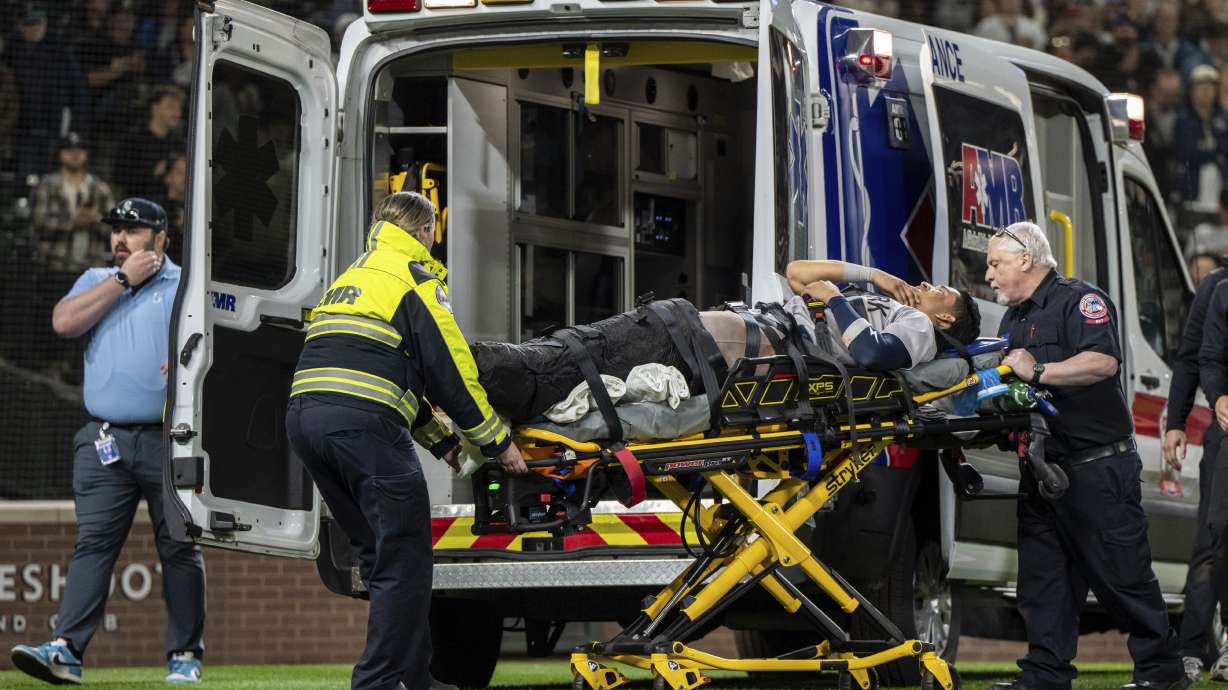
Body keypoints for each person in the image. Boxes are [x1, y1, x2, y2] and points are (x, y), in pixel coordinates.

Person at [285, 191, 527, 690]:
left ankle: (417, 679)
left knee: (378, 554)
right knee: (406, 559)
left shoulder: (352, 280)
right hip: (363, 426)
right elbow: (451, 372)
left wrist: (443, 444)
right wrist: (496, 442)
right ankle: (375, 683)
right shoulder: (414, 279)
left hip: (307, 421)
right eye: (432, 230)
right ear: (424, 231)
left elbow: (383, 370)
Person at [9, 198, 205, 686]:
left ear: (160, 237)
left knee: (180, 548)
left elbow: (212, 342)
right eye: (115, 230)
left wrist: (189, 359)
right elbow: (63, 322)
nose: (120, 239)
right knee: (93, 545)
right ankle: (67, 650)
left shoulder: (185, 283)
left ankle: (185, 655)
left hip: (172, 436)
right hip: (105, 441)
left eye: (132, 231)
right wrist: (121, 280)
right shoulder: (96, 279)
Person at [985, 221, 1185, 690]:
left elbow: (1103, 362)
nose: (989, 275)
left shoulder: (1080, 300)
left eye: (995, 263)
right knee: (1043, 581)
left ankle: (1162, 674)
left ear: (1025, 260)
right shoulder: (1011, 319)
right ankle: (1045, 676)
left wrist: (1041, 371)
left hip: (1097, 468)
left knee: (1123, 576)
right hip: (1040, 469)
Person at [1164, 250, 1228, 682]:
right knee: (1213, 536)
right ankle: (1191, 648)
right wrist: (1176, 422)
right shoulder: (1218, 288)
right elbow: (1193, 358)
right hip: (1223, 431)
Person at [785, 259, 981, 370]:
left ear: (945, 318)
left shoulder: (921, 325)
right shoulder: (896, 310)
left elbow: (873, 354)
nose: (924, 284)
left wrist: (834, 298)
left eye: (939, 290)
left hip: (788, 341)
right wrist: (873, 275)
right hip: (777, 325)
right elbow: (795, 273)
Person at [31, 132, 117, 271]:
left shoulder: (100, 188)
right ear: (59, 154)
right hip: (54, 265)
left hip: (91, 268)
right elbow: (39, 224)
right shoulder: (46, 186)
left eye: (80, 149)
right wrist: (72, 222)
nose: (75, 154)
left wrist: (95, 220)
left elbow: (116, 227)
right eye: (69, 149)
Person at [113, 85, 185, 199]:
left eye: (178, 108)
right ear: (154, 108)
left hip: (171, 209)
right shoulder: (133, 139)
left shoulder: (179, 144)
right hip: (139, 206)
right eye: (171, 107)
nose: (177, 113)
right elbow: (119, 177)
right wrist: (153, 173)